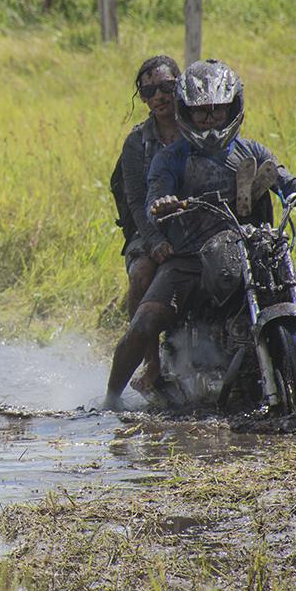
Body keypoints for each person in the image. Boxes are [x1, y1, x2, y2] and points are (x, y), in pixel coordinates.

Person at [103, 59, 296, 408]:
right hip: (189, 257)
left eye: (218, 111)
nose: (210, 119)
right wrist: (164, 203)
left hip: (253, 250)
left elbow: (285, 181)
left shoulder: (252, 152)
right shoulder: (171, 157)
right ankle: (111, 400)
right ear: (187, 112)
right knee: (145, 322)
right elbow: (151, 196)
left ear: (232, 108)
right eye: (202, 112)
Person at [111, 55, 180, 395]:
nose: (159, 96)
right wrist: (153, 240)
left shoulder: (201, 128)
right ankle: (150, 361)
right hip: (150, 227)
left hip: (199, 223)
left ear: (181, 86)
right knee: (142, 273)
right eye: (150, 90)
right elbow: (136, 201)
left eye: (167, 87)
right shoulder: (136, 142)